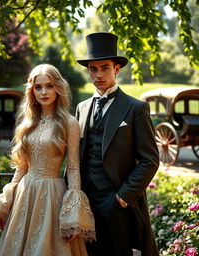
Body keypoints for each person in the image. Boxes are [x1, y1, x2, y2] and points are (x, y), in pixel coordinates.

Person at [0, 64, 95, 256]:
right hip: (24, 195)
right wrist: (7, 201)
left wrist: (73, 218)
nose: (44, 92)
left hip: (52, 195)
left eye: (49, 86)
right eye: (38, 87)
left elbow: (73, 169)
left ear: (58, 88)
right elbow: (21, 167)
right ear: (32, 90)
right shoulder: (27, 123)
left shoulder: (69, 123)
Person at [75, 32, 160, 256]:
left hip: (116, 203)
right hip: (85, 203)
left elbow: (150, 160)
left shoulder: (135, 108)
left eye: (104, 68)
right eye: (93, 69)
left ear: (116, 69)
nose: (98, 74)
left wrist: (122, 197)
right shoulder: (81, 108)